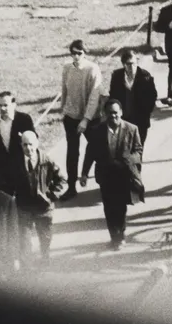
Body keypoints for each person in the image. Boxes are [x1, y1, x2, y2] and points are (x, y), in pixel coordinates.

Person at [88, 99, 145, 249]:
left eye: (115, 113)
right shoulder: (98, 130)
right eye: (109, 114)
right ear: (105, 114)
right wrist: (83, 173)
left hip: (123, 175)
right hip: (106, 175)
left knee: (120, 207)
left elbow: (138, 151)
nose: (113, 116)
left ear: (121, 112)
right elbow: (90, 153)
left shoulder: (132, 129)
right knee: (108, 207)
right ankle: (114, 236)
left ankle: (120, 236)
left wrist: (128, 160)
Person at [12, 130, 65, 265]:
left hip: (43, 208)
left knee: (45, 237)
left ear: (37, 143)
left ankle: (45, 259)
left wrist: (51, 196)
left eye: (31, 144)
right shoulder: (16, 162)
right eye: (24, 145)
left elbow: (62, 180)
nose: (28, 148)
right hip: (24, 208)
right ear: (21, 145)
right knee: (24, 240)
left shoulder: (46, 161)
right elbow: (9, 182)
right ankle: (27, 268)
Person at [59, 41, 104, 198]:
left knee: (98, 148)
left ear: (85, 53)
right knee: (72, 152)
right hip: (71, 116)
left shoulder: (93, 69)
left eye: (79, 53)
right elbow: (64, 88)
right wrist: (63, 107)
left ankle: (100, 179)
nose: (76, 56)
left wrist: (86, 119)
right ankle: (71, 187)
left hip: (91, 118)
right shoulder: (67, 68)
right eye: (73, 53)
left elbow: (94, 97)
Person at [0, 91, 37, 199]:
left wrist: (25, 138)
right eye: (0, 105)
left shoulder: (24, 119)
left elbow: (34, 140)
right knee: (4, 204)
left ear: (14, 104)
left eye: (5, 105)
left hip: (21, 169)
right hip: (2, 170)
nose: (2, 108)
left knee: (24, 202)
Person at [107, 47, 159, 151]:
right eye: (128, 64)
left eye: (134, 63)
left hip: (140, 121)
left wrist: (146, 112)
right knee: (121, 150)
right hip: (122, 120)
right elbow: (113, 96)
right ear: (123, 64)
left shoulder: (145, 76)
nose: (131, 67)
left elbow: (152, 96)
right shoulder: (117, 76)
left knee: (137, 150)